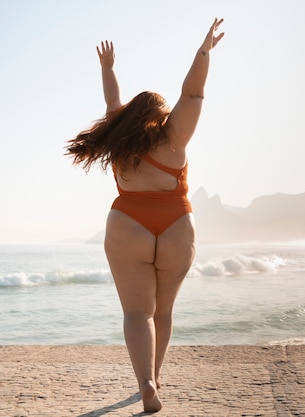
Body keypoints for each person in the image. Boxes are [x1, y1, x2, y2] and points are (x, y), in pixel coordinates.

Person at [65, 19, 225, 413]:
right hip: (176, 226)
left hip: (127, 224)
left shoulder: (121, 142)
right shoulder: (175, 138)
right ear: (159, 114)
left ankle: (146, 382)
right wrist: (203, 52)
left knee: (137, 312)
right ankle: (156, 374)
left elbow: (112, 105)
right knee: (163, 310)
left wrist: (107, 69)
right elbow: (194, 92)